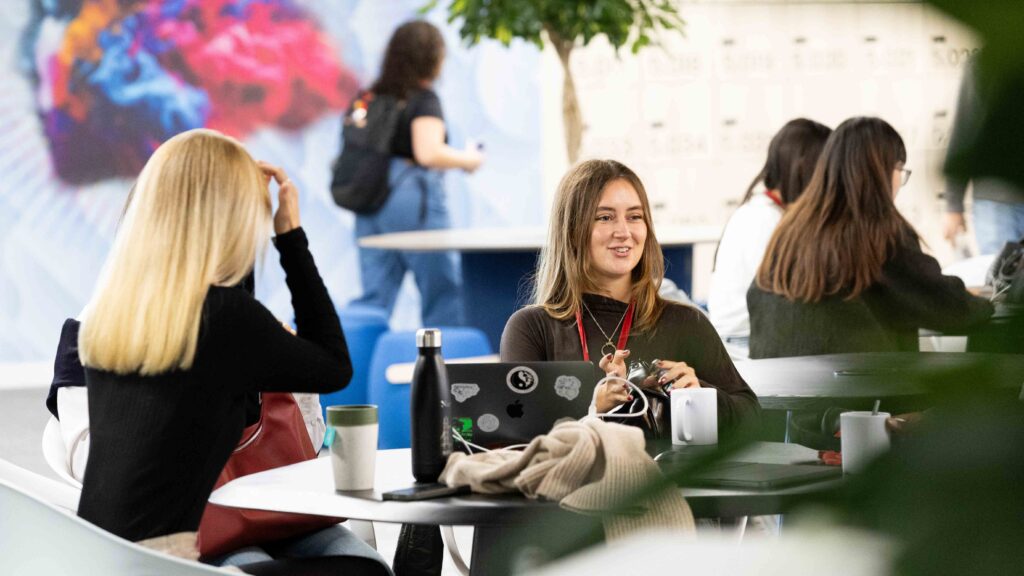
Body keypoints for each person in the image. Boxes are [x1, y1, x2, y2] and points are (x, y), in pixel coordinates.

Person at [74, 128, 390, 575]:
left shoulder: (119, 314)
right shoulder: (223, 319)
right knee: (367, 572)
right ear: (231, 220)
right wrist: (290, 235)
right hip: (171, 565)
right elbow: (334, 367)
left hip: (96, 559)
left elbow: (228, 306)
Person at [501, 159, 760, 432]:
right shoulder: (532, 329)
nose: (624, 232)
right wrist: (591, 410)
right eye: (605, 217)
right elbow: (515, 437)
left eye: (635, 217)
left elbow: (754, 421)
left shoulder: (685, 322)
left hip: (672, 474)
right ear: (572, 229)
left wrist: (702, 394)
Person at [748, 116, 995, 359]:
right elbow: (947, 308)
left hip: (775, 388)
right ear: (883, 171)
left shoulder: (789, 227)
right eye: (900, 169)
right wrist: (990, 302)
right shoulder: (876, 230)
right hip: (858, 392)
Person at [350, 20, 484, 326]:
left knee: (375, 298)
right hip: (413, 202)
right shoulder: (424, 100)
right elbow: (428, 152)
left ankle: (354, 366)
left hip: (368, 202)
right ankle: (444, 369)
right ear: (432, 58)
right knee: (442, 294)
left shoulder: (368, 98)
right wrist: (468, 160)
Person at [708, 118, 831, 359]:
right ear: (807, 169)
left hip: (751, 343)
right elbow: (785, 302)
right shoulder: (763, 219)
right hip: (745, 349)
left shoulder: (769, 213)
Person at [943, 56, 1024, 255]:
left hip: (994, 203)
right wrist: (954, 204)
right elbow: (964, 131)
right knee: (1000, 282)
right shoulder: (984, 64)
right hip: (996, 201)